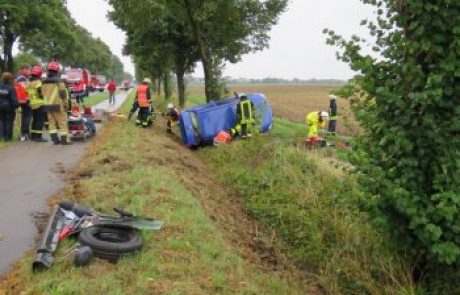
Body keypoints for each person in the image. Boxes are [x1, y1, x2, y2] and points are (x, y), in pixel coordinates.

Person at [41, 61, 71, 145]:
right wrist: (66, 105)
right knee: (62, 122)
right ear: (57, 71)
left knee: (51, 123)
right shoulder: (59, 81)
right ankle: (64, 140)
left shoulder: (43, 82)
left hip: (47, 106)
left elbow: (42, 93)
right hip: (58, 105)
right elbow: (63, 94)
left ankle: (55, 140)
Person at [28, 65, 47, 142]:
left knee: (35, 120)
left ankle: (33, 136)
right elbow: (40, 94)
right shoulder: (38, 82)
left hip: (32, 104)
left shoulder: (29, 83)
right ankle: (39, 137)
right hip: (39, 104)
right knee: (40, 121)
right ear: (39, 74)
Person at [0, 72, 19, 141]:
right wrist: (16, 105)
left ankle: (1, 136)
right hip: (9, 108)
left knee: (2, 121)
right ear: (10, 79)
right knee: (9, 122)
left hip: (0, 107)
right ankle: (8, 137)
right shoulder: (11, 88)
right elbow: (13, 99)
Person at [15, 64, 32, 141]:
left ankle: (25, 133)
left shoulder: (24, 78)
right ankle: (24, 134)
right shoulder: (21, 78)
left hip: (24, 100)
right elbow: (24, 89)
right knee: (26, 117)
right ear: (23, 70)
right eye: (28, 70)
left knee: (26, 117)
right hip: (25, 100)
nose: (29, 72)